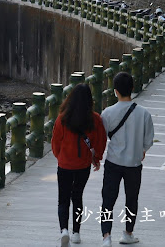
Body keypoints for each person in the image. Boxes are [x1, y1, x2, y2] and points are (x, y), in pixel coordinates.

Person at [99, 72, 154, 247]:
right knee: (131, 199)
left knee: (108, 200)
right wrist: (141, 150)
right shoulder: (144, 113)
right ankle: (128, 233)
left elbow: (102, 137)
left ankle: (106, 236)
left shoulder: (107, 113)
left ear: (115, 91)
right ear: (132, 88)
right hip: (134, 164)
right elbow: (148, 141)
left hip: (113, 163)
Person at [52, 84, 107, 247]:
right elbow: (101, 141)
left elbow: (55, 142)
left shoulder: (62, 118)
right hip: (83, 165)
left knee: (63, 199)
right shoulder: (95, 119)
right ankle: (76, 233)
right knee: (77, 196)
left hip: (64, 165)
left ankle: (64, 231)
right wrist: (96, 157)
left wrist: (60, 157)